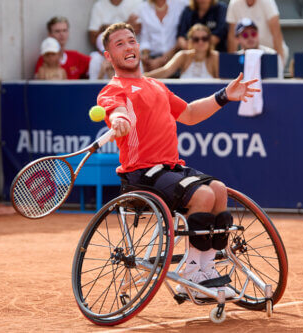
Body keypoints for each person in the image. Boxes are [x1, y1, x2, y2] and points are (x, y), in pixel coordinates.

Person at [97, 22, 259, 298]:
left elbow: (191, 114)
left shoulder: (157, 86)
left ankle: (206, 270)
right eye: (119, 44)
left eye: (131, 41)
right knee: (204, 196)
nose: (128, 47)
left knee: (218, 190)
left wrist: (224, 96)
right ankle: (192, 274)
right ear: (109, 56)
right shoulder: (114, 89)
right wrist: (120, 120)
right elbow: (116, 112)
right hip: (141, 175)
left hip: (171, 170)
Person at [226, 0, 288, 66]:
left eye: (253, 34)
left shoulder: (268, 2)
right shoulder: (234, 3)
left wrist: (279, 62)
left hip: (269, 56)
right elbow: (232, 37)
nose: (250, 38)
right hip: (247, 57)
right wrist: (231, 63)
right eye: (245, 35)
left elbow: (276, 34)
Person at [145, 23, 218, 79]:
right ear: (190, 41)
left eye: (204, 38)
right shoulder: (183, 56)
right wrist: (142, 77)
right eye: (196, 39)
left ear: (209, 40)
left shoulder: (215, 57)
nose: (200, 42)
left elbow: (223, 82)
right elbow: (166, 71)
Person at [139, 0, 188, 72]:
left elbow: (182, 34)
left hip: (176, 57)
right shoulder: (143, 8)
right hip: (153, 60)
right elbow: (145, 39)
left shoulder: (180, 4)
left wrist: (163, 60)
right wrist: (146, 56)